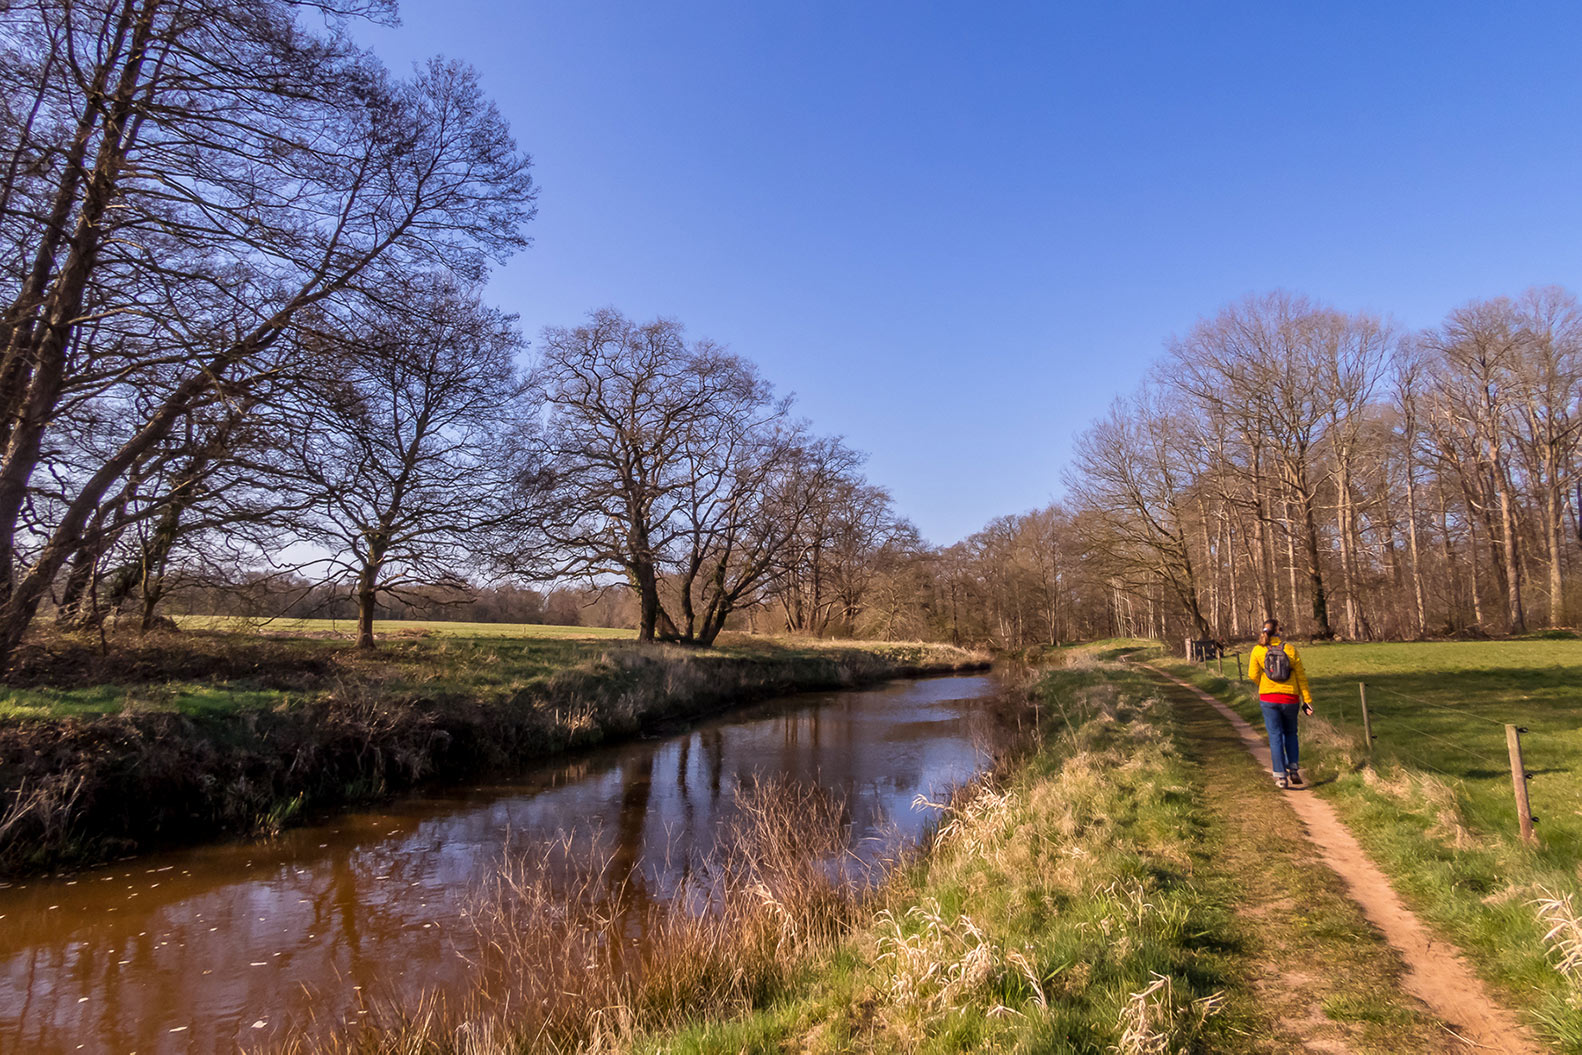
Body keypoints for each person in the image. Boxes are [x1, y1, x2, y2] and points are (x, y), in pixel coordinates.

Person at [1246, 618, 1314, 789]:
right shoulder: (1290, 649)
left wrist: (1264, 685)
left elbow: (1252, 675)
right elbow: (1301, 677)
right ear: (1278, 631)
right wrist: (1307, 700)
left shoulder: (1258, 650)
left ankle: (1280, 776)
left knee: (1275, 736)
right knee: (1291, 733)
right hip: (1290, 698)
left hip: (1268, 699)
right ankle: (1293, 768)